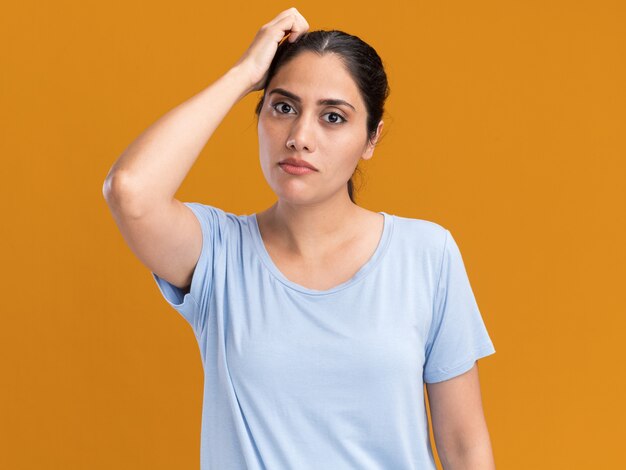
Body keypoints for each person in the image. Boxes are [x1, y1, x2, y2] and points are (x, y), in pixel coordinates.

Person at [103, 7, 497, 470]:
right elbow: (130, 191)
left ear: (371, 138)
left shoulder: (427, 254)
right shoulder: (218, 254)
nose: (299, 137)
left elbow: (465, 447)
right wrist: (245, 72)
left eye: (333, 117)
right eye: (283, 107)